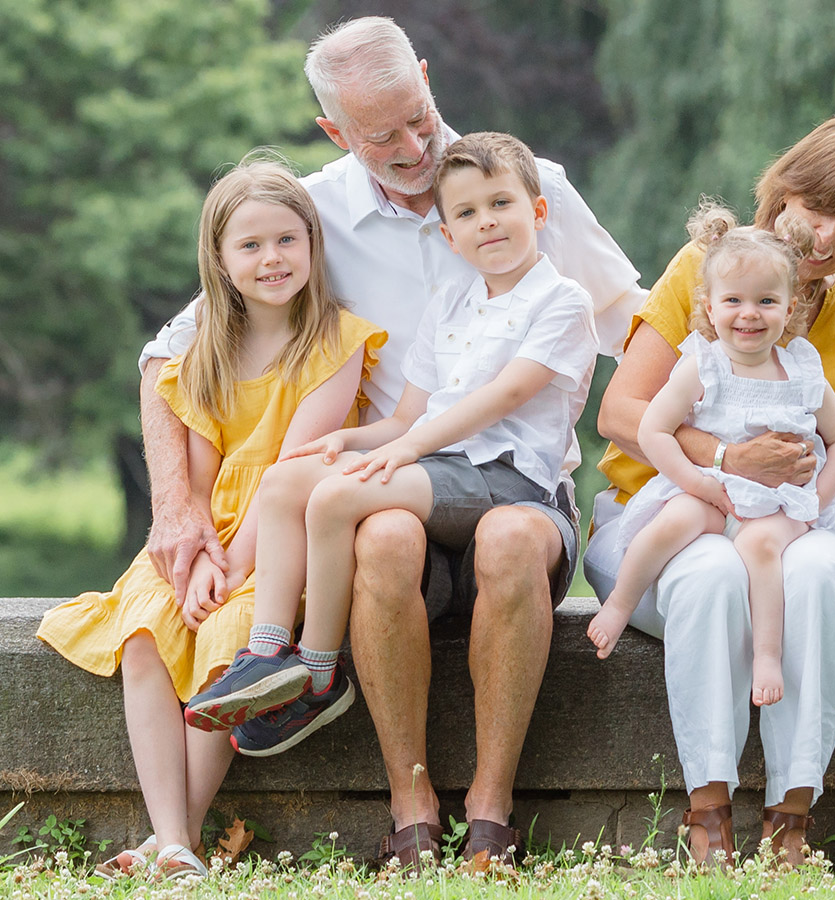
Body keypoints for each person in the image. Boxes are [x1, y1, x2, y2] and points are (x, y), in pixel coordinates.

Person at [137, 17, 644, 870]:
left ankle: (489, 812)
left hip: (507, 488)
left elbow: (636, 322)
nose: (415, 144)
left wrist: (705, 437)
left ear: (425, 73)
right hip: (396, 493)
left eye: (420, 113)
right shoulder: (312, 215)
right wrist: (178, 505)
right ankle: (405, 803)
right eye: (383, 135)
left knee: (509, 536)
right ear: (336, 132)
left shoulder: (529, 185)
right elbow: (170, 353)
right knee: (373, 526)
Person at [584, 105, 835, 865]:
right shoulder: (707, 270)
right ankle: (707, 811)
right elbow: (621, 412)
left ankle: (792, 816)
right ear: (785, 189)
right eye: (819, 209)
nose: (825, 240)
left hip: (798, 524)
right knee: (711, 575)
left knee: (812, 576)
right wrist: (725, 459)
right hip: (674, 511)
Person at [186, 133, 597, 766]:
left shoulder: (562, 300)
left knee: (336, 497)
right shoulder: (450, 305)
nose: (485, 222)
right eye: (465, 213)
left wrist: (404, 453)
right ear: (447, 235)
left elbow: (501, 396)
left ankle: (319, 673)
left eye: (501, 204)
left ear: (536, 212)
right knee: (288, 479)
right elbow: (410, 415)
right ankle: (265, 653)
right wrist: (345, 440)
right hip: (438, 467)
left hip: (508, 478)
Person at [37, 158, 386, 880]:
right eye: (250, 246)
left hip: (278, 541)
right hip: (213, 533)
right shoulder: (204, 350)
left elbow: (291, 472)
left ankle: (171, 842)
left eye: (287, 241)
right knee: (144, 634)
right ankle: (172, 839)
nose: (271, 260)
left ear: (314, 245)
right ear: (219, 262)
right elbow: (195, 482)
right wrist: (196, 558)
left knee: (228, 645)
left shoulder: (337, 343)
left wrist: (230, 570)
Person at [587, 201, 835, 711]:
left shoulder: (802, 369)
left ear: (790, 306)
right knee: (670, 524)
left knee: (762, 551)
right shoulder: (702, 363)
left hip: (782, 503)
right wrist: (697, 481)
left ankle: (767, 656)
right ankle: (621, 603)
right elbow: (653, 429)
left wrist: (817, 498)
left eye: (766, 301)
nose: (749, 314)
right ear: (709, 308)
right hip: (713, 490)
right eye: (733, 300)